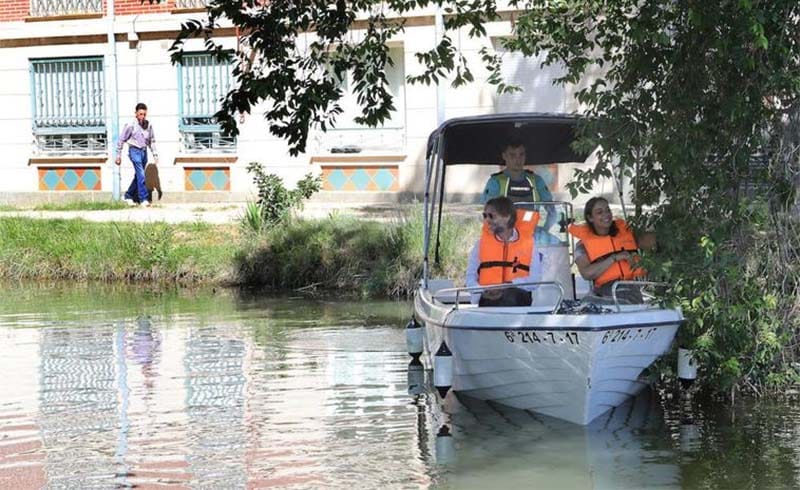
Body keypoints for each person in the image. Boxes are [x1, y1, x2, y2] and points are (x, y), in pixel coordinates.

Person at [568, 197, 651, 303]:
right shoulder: (582, 246)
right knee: (588, 302)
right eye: (599, 212)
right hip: (604, 291)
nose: (606, 215)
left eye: (608, 210)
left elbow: (651, 242)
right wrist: (614, 258)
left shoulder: (626, 234)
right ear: (590, 218)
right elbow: (586, 274)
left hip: (632, 288)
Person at [465, 196, 543, 306]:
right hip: (486, 302)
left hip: (517, 301)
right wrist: (483, 291)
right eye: (485, 216)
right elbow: (470, 278)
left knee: (511, 296)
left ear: (507, 217)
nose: (487, 220)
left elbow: (535, 280)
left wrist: (508, 285)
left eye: (491, 216)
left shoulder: (529, 244)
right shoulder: (480, 244)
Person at [481, 138, 557, 231]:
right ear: (504, 156)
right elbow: (487, 214)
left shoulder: (536, 181)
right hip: (504, 236)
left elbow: (552, 211)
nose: (518, 159)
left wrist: (544, 231)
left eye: (521, 154)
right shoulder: (495, 182)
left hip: (531, 235)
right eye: (512, 155)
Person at [116, 102, 158, 206]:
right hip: (134, 151)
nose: (142, 117)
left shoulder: (148, 125)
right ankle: (143, 199)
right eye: (140, 114)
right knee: (142, 175)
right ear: (136, 113)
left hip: (144, 152)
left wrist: (155, 155)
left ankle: (128, 195)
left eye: (144, 114)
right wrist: (118, 155)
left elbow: (152, 141)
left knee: (139, 176)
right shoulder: (130, 125)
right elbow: (121, 140)